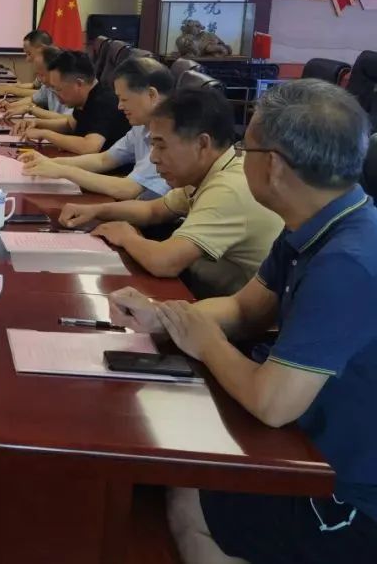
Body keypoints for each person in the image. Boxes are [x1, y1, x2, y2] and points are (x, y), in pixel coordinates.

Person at [109, 80, 377, 564]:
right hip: (308, 436)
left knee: (187, 495)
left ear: (272, 164)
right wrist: (164, 315)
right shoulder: (315, 223)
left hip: (346, 492)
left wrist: (206, 341)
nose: (238, 156)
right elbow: (244, 308)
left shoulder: (347, 263)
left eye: (245, 148)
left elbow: (272, 403)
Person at [60, 88, 282, 299]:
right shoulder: (210, 170)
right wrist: (96, 210)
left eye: (161, 146)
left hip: (245, 315)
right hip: (214, 291)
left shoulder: (228, 188)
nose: (154, 157)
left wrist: (127, 236)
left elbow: (164, 262)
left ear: (202, 143)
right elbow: (152, 210)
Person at [19, 57, 173, 200]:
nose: (119, 106)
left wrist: (64, 171)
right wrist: (51, 162)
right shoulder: (141, 127)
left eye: (124, 99)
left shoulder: (171, 133)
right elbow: (103, 159)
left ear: (151, 95)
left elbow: (128, 189)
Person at [11, 50, 130, 155]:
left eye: (58, 89)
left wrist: (45, 134)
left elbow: (89, 147)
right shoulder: (85, 97)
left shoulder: (104, 102)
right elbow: (69, 125)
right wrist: (37, 123)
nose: (56, 96)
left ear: (78, 84)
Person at [2, 45, 72, 121]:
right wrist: (11, 105)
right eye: (37, 74)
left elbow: (68, 120)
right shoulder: (47, 86)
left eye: (42, 74)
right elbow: (34, 99)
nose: (40, 80)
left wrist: (31, 110)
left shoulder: (71, 89)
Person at [0, 29, 53, 98]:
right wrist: (9, 86)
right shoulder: (44, 66)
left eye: (29, 54)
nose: (27, 59)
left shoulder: (56, 68)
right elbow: (34, 85)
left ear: (42, 50)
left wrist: (9, 90)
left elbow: (44, 95)